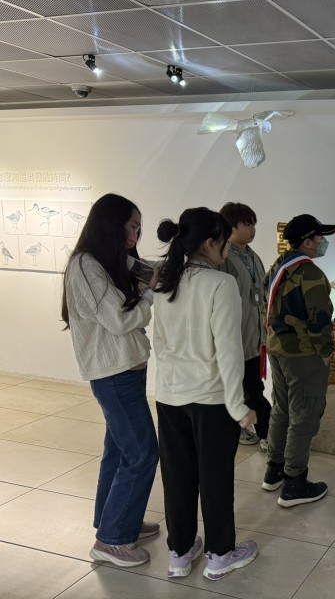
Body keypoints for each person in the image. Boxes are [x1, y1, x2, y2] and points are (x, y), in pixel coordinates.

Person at [153, 208, 258, 580]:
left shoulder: (166, 282)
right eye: (225, 242)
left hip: (169, 395)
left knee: (177, 477)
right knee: (215, 479)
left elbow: (160, 344)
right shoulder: (221, 284)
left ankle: (180, 553)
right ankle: (220, 553)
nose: (227, 249)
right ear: (211, 243)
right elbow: (228, 350)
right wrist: (239, 406)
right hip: (211, 400)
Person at [62, 193, 160, 567]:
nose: (135, 236)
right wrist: (148, 296)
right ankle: (112, 540)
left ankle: (115, 520)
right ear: (110, 225)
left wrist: (160, 273)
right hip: (114, 376)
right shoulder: (86, 266)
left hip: (125, 372)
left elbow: (148, 272)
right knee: (142, 452)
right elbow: (119, 320)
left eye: (138, 228)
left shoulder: (110, 260)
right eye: (131, 227)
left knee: (120, 450)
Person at [261, 213, 335, 507]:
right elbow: (320, 320)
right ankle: (294, 483)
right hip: (304, 355)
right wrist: (326, 352)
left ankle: (274, 470)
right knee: (304, 415)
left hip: (278, 349)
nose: (322, 242)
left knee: (281, 409)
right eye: (319, 237)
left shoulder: (278, 266)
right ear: (307, 241)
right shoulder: (310, 274)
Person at [218, 202, 271, 450]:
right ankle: (267, 435)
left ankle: (251, 430)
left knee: (250, 388)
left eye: (253, 224)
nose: (253, 229)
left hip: (254, 338)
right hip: (235, 338)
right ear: (231, 226)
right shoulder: (223, 258)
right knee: (248, 390)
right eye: (247, 224)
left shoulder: (253, 256)